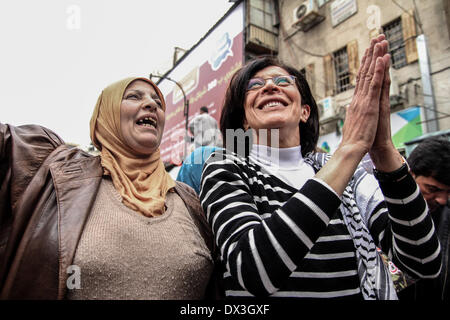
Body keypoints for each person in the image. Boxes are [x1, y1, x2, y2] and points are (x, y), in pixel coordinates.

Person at [199, 35, 442, 300]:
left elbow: (422, 262)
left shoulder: (351, 179)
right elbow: (253, 268)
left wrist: (383, 150)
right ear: (244, 120)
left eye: (283, 82)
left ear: (304, 112)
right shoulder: (226, 166)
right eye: (254, 85)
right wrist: (349, 150)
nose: (270, 87)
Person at [0, 77, 215, 299]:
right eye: (133, 96)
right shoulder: (54, 171)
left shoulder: (190, 201)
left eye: (158, 103)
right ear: (107, 115)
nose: (152, 105)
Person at [399, 137, 450, 300]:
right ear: (410, 176)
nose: (442, 199)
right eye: (432, 189)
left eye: (448, 192)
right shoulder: (379, 218)